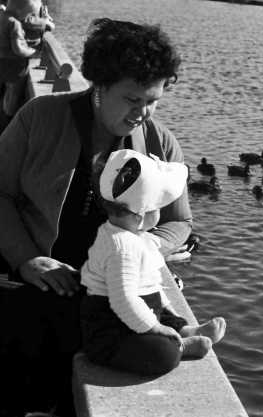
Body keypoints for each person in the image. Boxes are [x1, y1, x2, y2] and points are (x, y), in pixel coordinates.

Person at [0, 18, 191, 416]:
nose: (145, 113)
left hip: (110, 299)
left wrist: (145, 247)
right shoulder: (39, 117)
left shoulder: (161, 140)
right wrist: (25, 258)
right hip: (40, 290)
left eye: (153, 100)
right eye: (134, 99)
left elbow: (179, 222)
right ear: (99, 86)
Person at [80, 149, 225, 376]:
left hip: (137, 310)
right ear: (141, 214)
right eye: (158, 207)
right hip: (112, 329)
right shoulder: (122, 248)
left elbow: (151, 283)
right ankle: (181, 346)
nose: (161, 213)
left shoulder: (137, 237)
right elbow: (123, 300)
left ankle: (186, 330)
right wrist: (155, 327)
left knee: (161, 309)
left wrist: (165, 309)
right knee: (161, 355)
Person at [0, 0, 53, 130]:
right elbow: (19, 49)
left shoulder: (2, 17)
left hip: (2, 61)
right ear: (22, 11)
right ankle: (6, 126)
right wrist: (33, 52)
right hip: (15, 66)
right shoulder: (15, 23)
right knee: (12, 98)